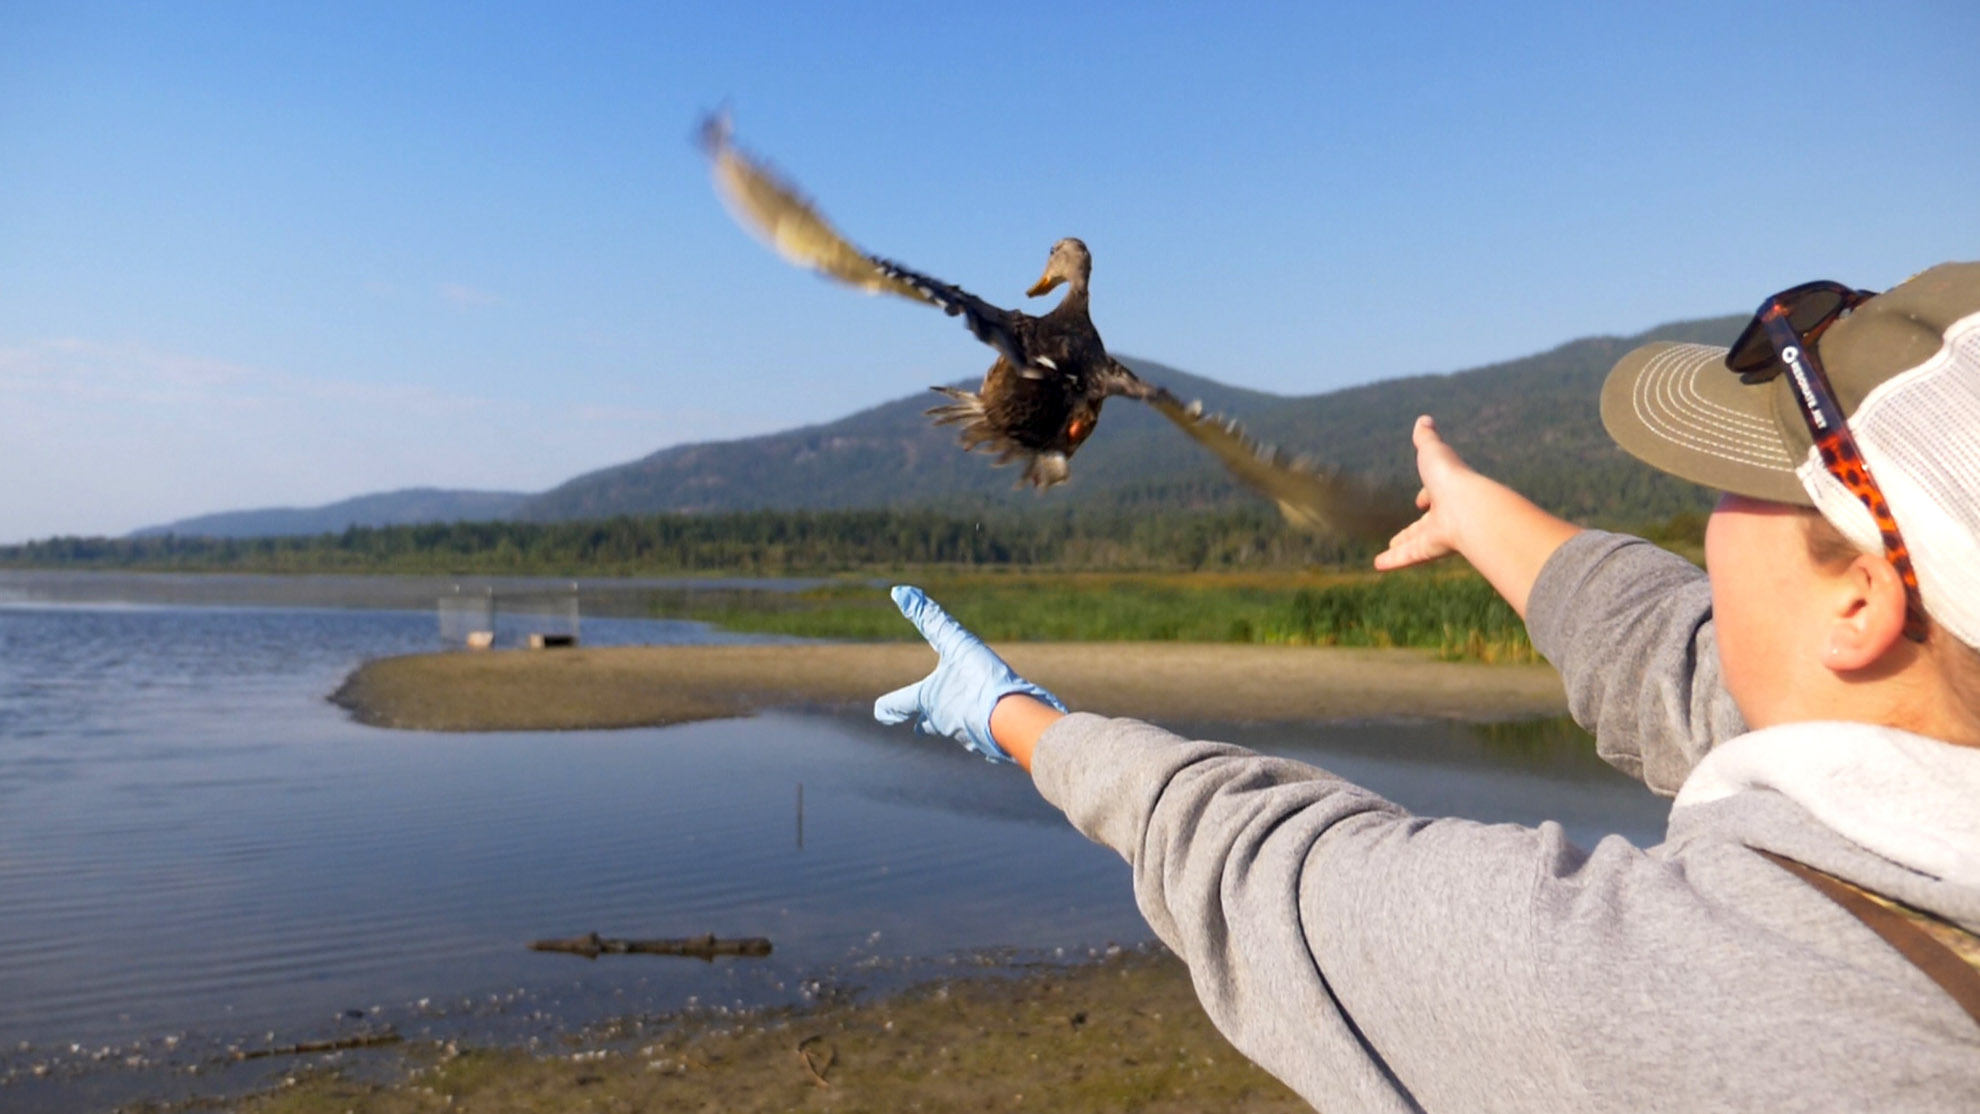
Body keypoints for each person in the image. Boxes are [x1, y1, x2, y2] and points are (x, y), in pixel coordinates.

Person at [874, 262, 1980, 1112]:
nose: (1708, 513)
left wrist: (1016, 717)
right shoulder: (1928, 738)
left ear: (1864, 601)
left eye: (1748, 484)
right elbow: (1685, 667)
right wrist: (1483, 516)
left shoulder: (1664, 990)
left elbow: (1270, 875)